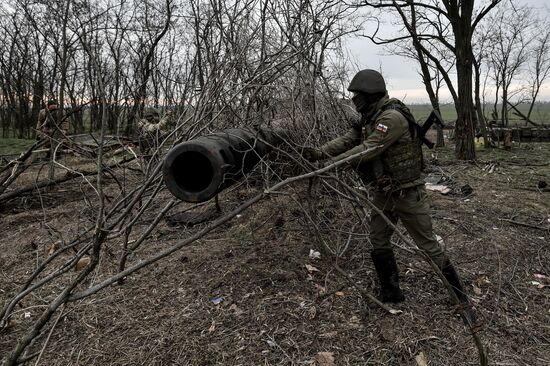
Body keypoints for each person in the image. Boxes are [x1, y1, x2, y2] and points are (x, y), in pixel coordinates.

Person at [303, 69, 478, 324]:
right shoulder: (370, 117)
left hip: (408, 194)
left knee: (428, 246)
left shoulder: (391, 118)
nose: (354, 100)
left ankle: (460, 300)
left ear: (369, 94)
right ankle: (391, 292)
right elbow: (349, 140)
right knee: (378, 239)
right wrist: (318, 153)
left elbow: (368, 149)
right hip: (384, 193)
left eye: (357, 95)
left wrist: (329, 167)